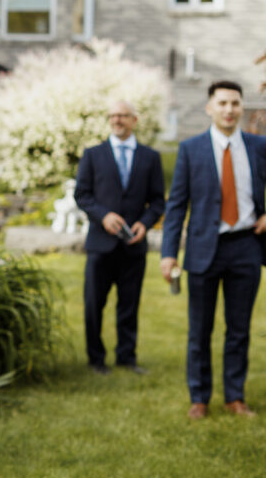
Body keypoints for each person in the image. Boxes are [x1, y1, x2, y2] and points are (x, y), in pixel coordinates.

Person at [160, 80, 266, 420]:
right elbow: (176, 205)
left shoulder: (258, 146)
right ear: (210, 108)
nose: (229, 110)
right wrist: (168, 252)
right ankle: (200, 397)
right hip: (204, 249)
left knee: (239, 329)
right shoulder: (191, 149)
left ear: (241, 107)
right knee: (199, 329)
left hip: (246, 247)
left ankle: (235, 397)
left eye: (235, 103)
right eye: (222, 103)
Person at [75, 100, 165, 375]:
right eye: (113, 115)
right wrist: (103, 216)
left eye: (123, 116)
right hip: (101, 244)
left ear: (134, 120)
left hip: (133, 246)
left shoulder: (150, 157)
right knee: (94, 304)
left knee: (129, 304)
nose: (117, 120)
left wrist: (145, 224)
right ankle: (96, 359)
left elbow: (158, 201)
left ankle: (127, 357)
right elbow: (82, 195)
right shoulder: (93, 154)